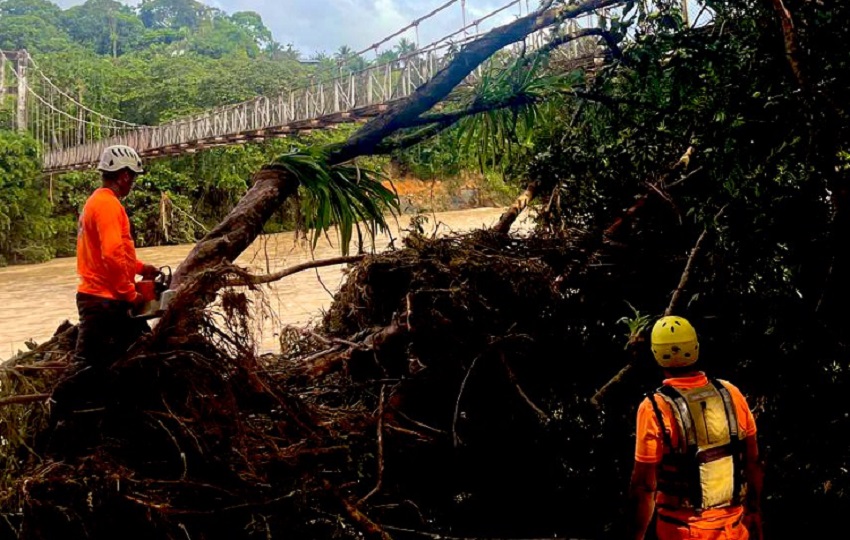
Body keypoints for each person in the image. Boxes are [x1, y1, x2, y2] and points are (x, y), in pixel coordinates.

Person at [628, 316, 764, 540]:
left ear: (656, 354)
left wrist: (635, 534)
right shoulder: (731, 393)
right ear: (696, 348)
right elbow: (753, 462)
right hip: (734, 530)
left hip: (681, 532)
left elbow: (644, 486)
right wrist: (755, 512)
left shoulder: (655, 408)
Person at [74, 144, 159, 367]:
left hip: (102, 298)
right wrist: (130, 294)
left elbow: (112, 253)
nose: (132, 183)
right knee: (84, 369)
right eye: (133, 177)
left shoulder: (96, 201)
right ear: (124, 175)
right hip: (104, 301)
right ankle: (60, 396)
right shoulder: (108, 205)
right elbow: (112, 255)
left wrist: (141, 269)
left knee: (141, 354)